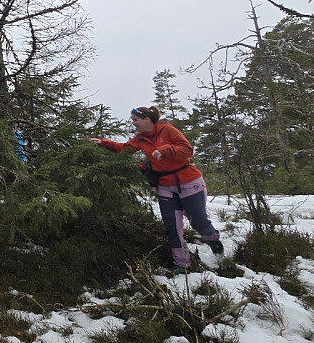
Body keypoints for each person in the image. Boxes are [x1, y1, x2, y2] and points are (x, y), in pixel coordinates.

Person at [88, 105, 222, 272]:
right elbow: (123, 149)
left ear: (147, 119)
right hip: (164, 185)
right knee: (172, 227)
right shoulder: (140, 138)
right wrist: (103, 143)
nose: (133, 123)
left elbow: (187, 150)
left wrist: (164, 150)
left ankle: (211, 237)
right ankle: (182, 264)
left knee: (198, 221)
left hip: (189, 182)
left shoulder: (167, 130)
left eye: (136, 120)